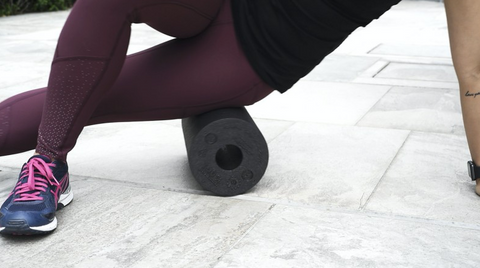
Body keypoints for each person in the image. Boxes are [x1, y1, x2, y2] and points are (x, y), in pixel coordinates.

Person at [0, 0, 471, 236]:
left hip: (245, 54)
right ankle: (50, 162)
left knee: (73, 103)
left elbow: (473, 70)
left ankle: (46, 164)